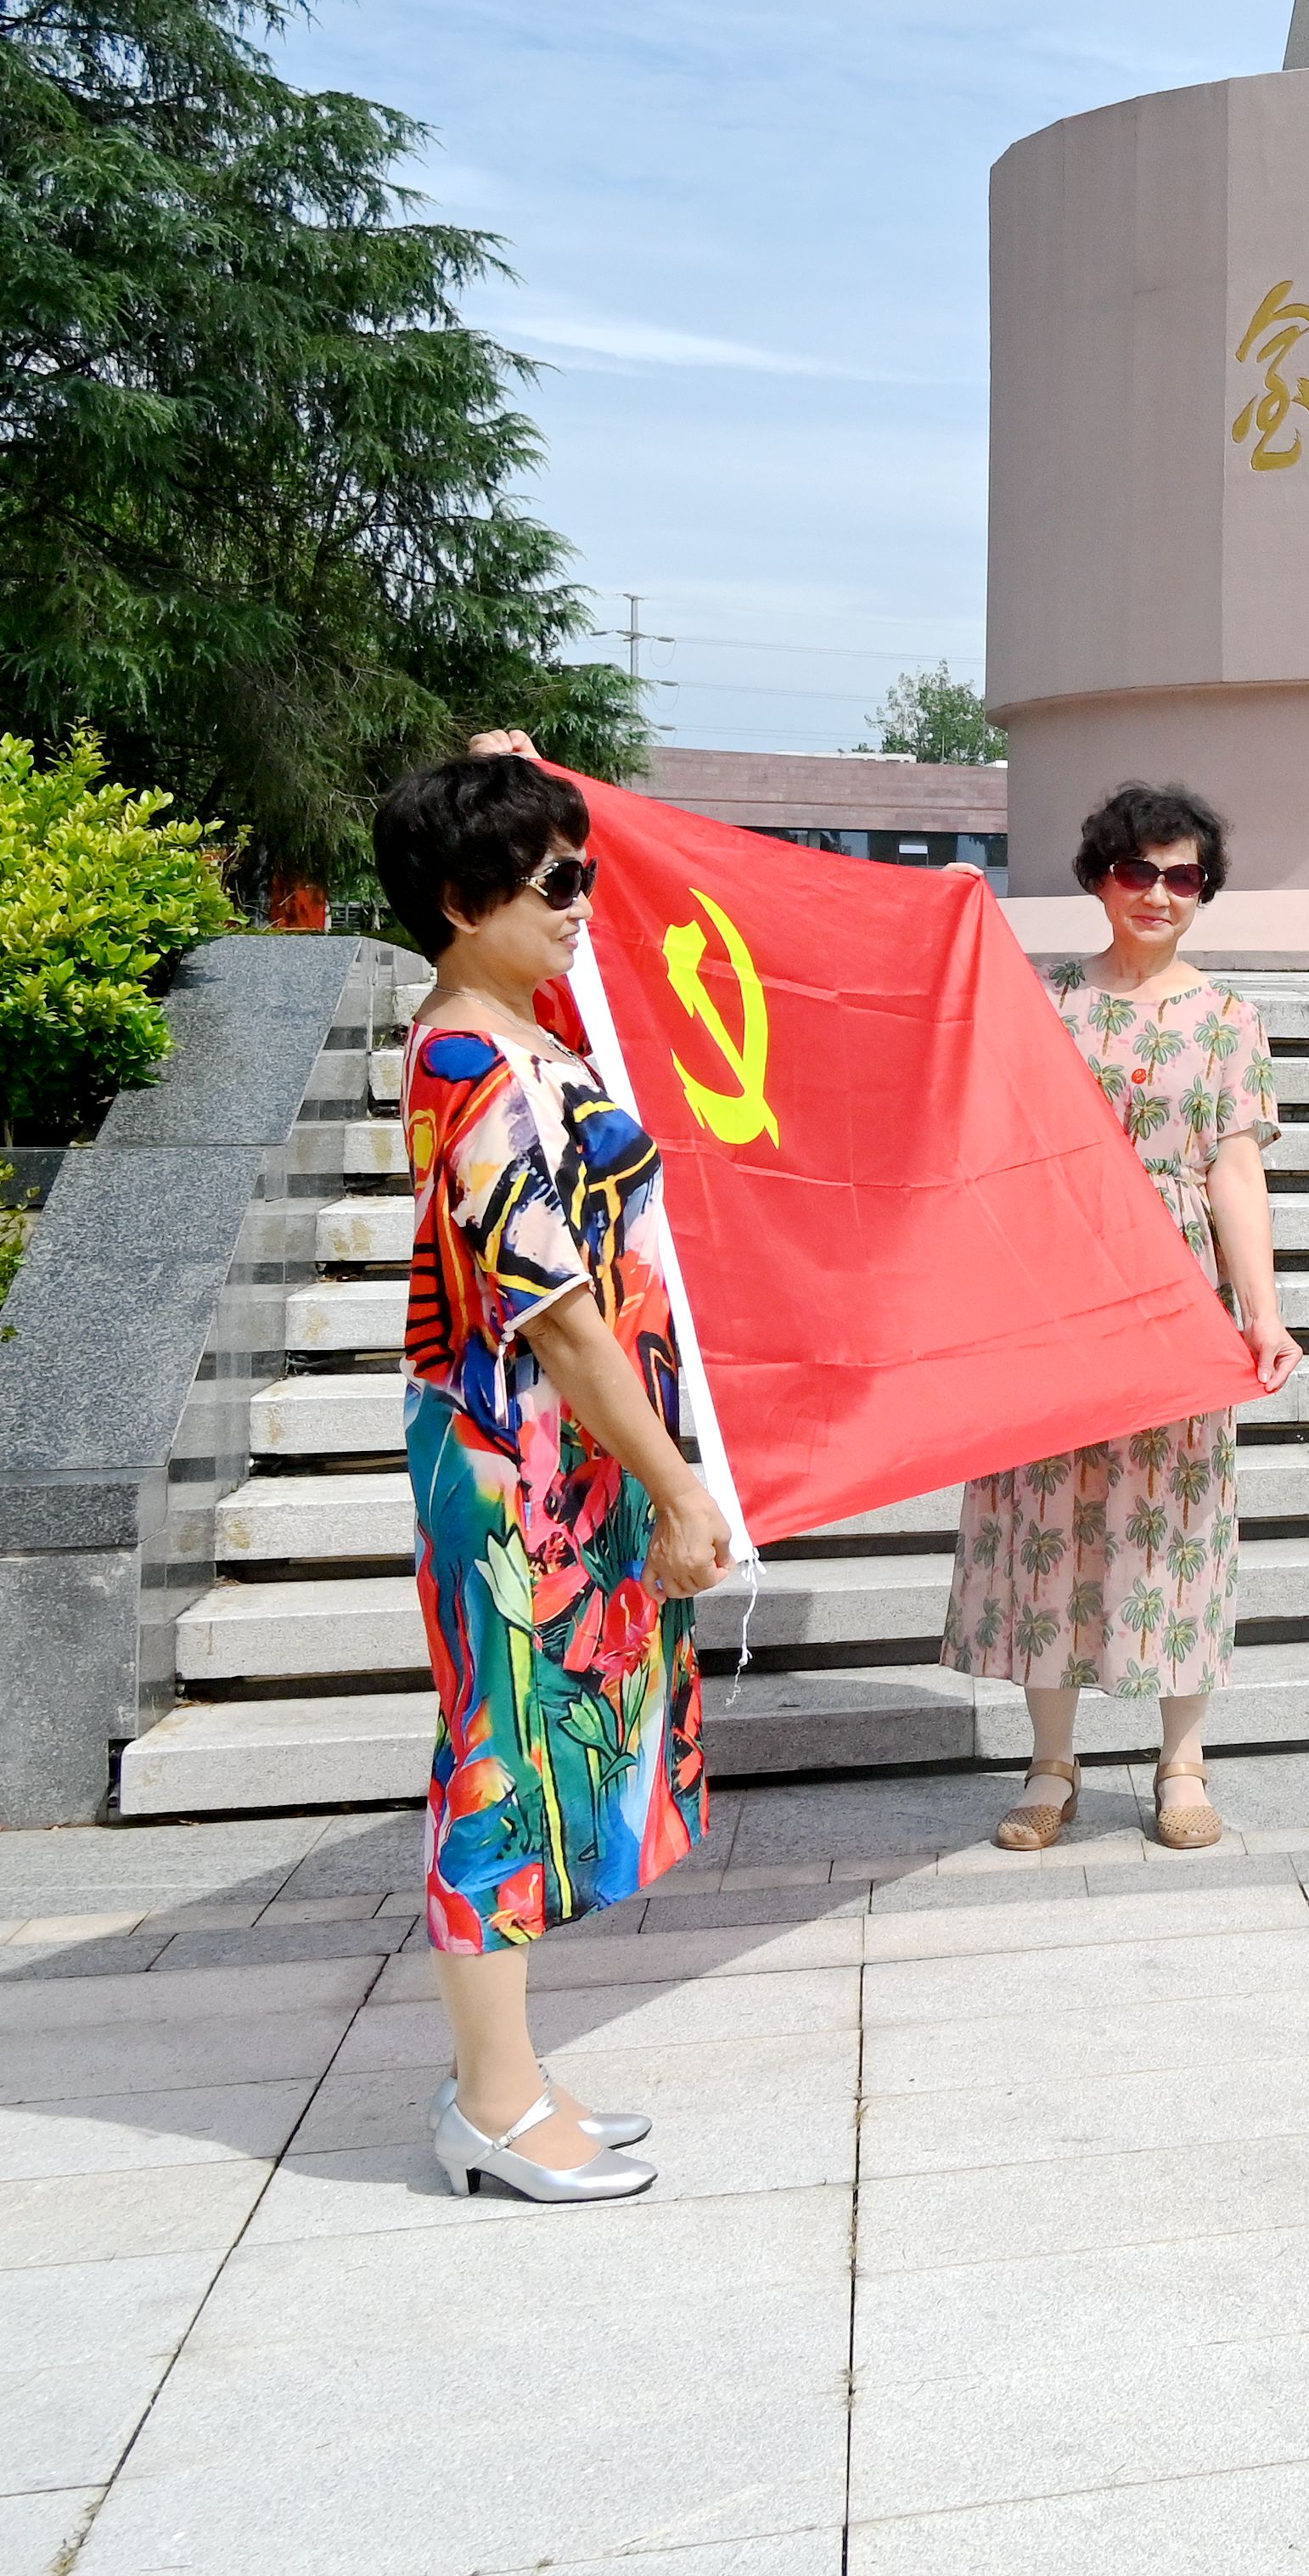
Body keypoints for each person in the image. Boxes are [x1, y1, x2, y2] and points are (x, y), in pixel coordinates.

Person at [379, 748, 729, 2202]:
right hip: (518, 1459)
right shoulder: (470, 1065)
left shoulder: (523, 1030)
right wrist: (679, 1488)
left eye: (582, 873)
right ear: (465, 905)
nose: (585, 903)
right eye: (558, 883)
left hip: (568, 1450)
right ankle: (492, 2104)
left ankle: (510, 2072)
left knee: (545, 1747)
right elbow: (564, 1316)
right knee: (498, 1759)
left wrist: (507, 775)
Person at [947, 785, 1305, 1853]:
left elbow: (1235, 1172)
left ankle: (1181, 1761)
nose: (1158, 893)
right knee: (1047, 1520)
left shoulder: (1229, 1019)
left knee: (1177, 1522)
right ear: (1100, 877)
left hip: (1176, 1297)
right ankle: (1050, 1763)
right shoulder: (1045, 1002)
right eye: (1137, 870)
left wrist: (1263, 1313)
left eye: (1182, 875)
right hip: (1057, 1288)